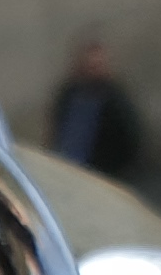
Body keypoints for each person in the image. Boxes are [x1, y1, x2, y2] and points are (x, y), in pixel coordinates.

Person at [47, 39, 146, 179]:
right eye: (89, 66)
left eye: (97, 66)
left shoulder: (114, 101)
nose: (93, 71)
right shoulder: (69, 96)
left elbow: (131, 140)